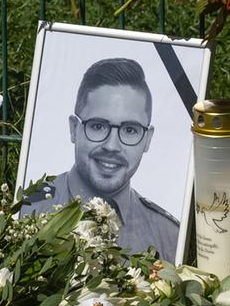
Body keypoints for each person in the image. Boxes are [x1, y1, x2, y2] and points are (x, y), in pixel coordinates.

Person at [21, 56, 180, 261]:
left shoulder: (169, 236)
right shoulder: (27, 210)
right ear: (74, 128)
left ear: (147, 139)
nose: (111, 146)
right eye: (98, 126)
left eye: (130, 130)